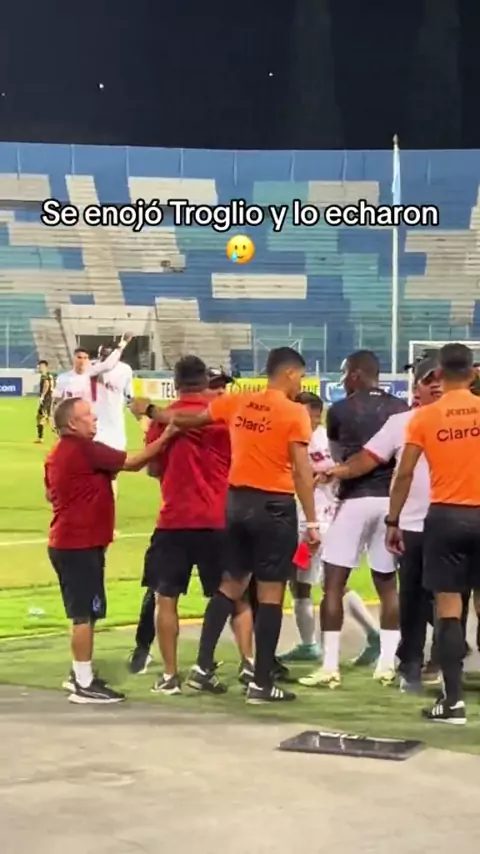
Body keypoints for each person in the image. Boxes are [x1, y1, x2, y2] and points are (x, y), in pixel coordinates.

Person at [131, 347, 320, 704]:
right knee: (269, 594)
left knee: (230, 585)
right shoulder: (294, 412)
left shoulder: (238, 403)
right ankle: (260, 680)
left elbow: (187, 421)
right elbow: (301, 469)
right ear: (290, 374)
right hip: (272, 506)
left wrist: (151, 411)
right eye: (301, 376)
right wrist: (312, 521)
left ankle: (201, 668)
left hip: (234, 505)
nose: (301, 383)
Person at [133, 357, 254, 695]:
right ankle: (248, 664)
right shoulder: (222, 417)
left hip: (175, 520)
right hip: (219, 518)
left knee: (166, 598)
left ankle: (170, 676)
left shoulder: (165, 420)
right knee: (235, 595)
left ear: (175, 383)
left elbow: (153, 469)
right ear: (204, 381)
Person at [324, 356, 441, 691]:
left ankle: (422, 663)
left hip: (420, 516)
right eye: (427, 380)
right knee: (424, 595)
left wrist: (336, 471)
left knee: (432, 596)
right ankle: (409, 663)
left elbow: (374, 464)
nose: (433, 385)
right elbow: (374, 461)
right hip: (417, 517)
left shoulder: (402, 421)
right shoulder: (401, 417)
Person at [45, 396, 167, 704]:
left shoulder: (57, 453)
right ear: (72, 423)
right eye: (88, 415)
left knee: (87, 611)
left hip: (68, 542)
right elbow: (134, 462)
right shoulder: (84, 449)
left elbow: (50, 493)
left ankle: (79, 672)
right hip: (79, 545)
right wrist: (169, 434)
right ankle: (83, 683)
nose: (95, 418)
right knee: (83, 615)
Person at [302, 350, 408, 690]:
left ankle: (330, 665)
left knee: (333, 583)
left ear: (358, 374)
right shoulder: (401, 408)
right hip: (390, 502)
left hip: (354, 499)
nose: (344, 380)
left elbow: (338, 457)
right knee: (387, 584)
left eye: (347, 373)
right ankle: (387, 664)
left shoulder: (340, 410)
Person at [386, 342, 480, 724]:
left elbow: (404, 473)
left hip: (445, 516)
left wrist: (393, 520)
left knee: (448, 608)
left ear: (438, 374)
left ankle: (452, 701)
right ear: (473, 373)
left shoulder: (424, 418)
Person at [278, 392, 380, 665]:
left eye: (302, 413)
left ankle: (371, 635)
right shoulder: (328, 440)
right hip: (322, 520)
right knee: (308, 582)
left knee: (321, 583)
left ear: (315, 414)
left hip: (313, 525)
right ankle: (311, 644)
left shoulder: (311, 442)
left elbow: (310, 478)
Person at [52, 334, 132, 403]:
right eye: (79, 357)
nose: (82, 361)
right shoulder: (63, 378)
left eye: (85, 358)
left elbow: (108, 364)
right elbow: (57, 399)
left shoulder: (93, 371)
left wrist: (123, 343)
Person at [35, 360, 55, 444]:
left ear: (45, 367)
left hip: (46, 399)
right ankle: (41, 437)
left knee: (44, 417)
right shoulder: (49, 375)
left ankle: (57, 435)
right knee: (42, 417)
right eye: (39, 366)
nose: (39, 368)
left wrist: (42, 396)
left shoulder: (45, 376)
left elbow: (46, 385)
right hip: (49, 398)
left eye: (41, 366)